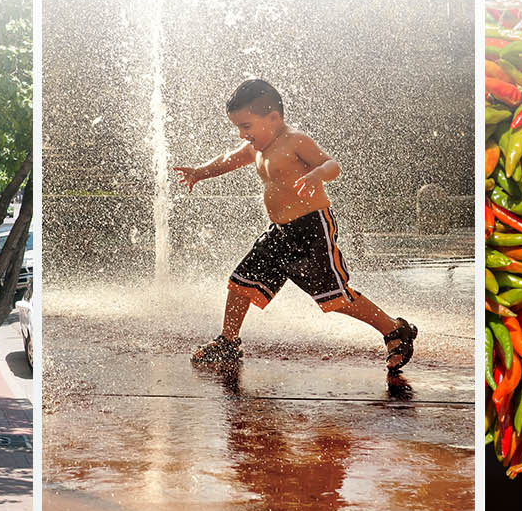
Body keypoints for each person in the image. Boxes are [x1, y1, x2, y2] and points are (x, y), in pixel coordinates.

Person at [175, 78, 418, 372]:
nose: (242, 134)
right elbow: (228, 159)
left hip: (312, 229)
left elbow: (332, 165)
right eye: (238, 127)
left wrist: (316, 175)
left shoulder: (295, 140)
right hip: (279, 232)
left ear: (274, 118)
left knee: (335, 298)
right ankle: (228, 341)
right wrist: (200, 172)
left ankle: (394, 330)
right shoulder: (257, 147)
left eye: (247, 126)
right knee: (240, 283)